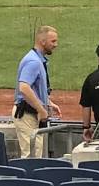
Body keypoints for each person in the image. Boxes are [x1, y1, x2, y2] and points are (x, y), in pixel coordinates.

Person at [10, 26, 61, 159]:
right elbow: (24, 88)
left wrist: (48, 103)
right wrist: (41, 109)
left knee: (36, 154)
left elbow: (34, 88)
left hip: (31, 114)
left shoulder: (37, 59)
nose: (56, 45)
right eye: (53, 41)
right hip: (27, 114)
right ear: (42, 41)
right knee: (31, 157)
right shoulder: (33, 61)